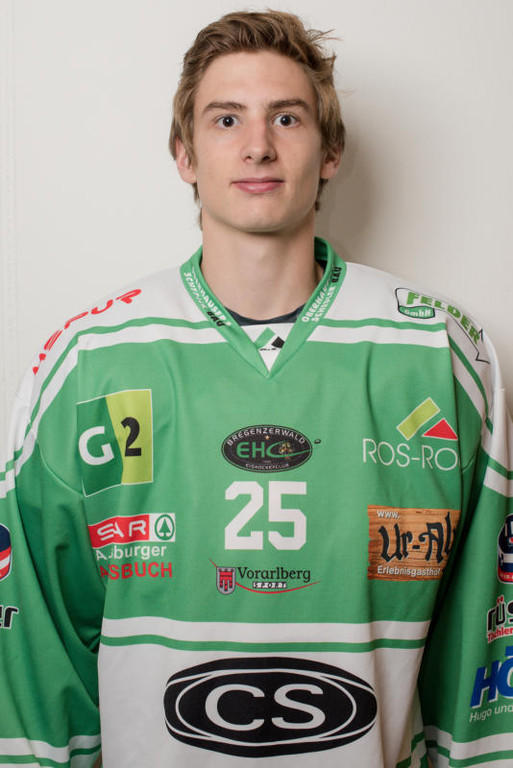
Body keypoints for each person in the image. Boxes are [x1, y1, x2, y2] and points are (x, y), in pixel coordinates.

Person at [1, 9, 512, 767]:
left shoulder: (437, 352)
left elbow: (484, 649)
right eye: (226, 118)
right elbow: (35, 664)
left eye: (287, 117)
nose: (257, 145)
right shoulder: (90, 361)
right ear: (184, 153)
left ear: (330, 150)